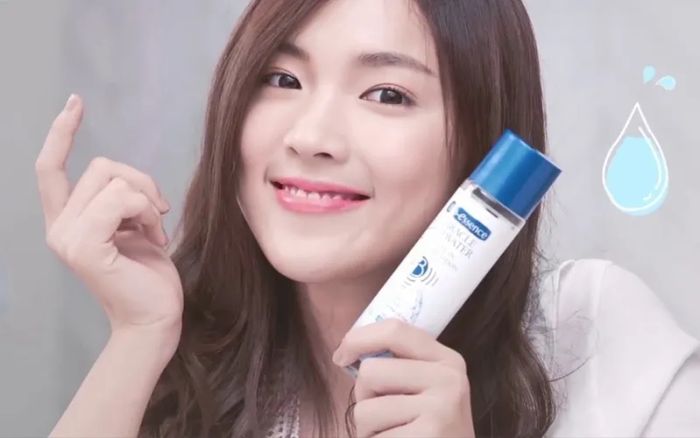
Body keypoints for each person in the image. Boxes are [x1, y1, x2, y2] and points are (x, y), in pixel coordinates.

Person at [34, 0, 699, 437]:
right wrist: (140, 336)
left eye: (387, 94)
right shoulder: (194, 370)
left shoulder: (593, 331)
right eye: (283, 79)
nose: (310, 137)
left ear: (483, 146)